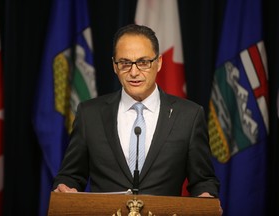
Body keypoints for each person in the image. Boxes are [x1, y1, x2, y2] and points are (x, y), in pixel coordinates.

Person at [53, 24, 220, 198]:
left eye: (143, 62)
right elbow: (71, 175)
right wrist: (65, 187)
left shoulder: (189, 116)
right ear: (115, 66)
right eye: (125, 63)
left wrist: (206, 197)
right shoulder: (89, 115)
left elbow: (203, 180)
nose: (134, 72)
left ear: (159, 62)